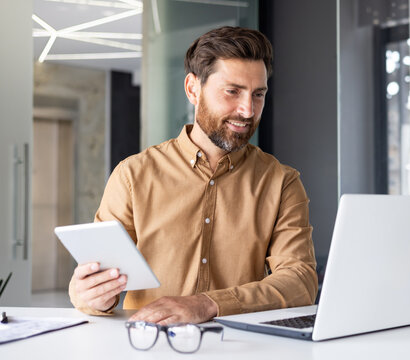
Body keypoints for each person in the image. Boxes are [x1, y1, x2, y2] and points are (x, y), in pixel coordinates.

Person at [68, 26, 318, 324]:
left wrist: (207, 304)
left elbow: (299, 281)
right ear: (192, 89)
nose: (248, 110)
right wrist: (90, 294)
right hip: (149, 344)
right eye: (232, 91)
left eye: (258, 94)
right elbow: (94, 278)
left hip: (244, 347)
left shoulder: (282, 182)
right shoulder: (132, 175)